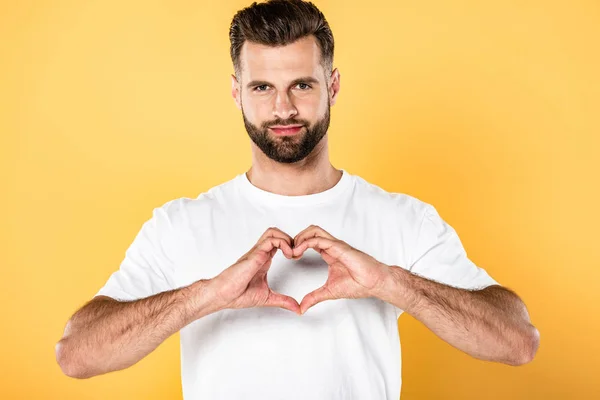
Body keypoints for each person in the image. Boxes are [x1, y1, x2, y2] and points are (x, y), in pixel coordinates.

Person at [55, 0, 539, 398]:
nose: (282, 108)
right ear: (236, 92)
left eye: (302, 85)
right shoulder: (180, 224)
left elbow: (518, 341)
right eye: (262, 87)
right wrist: (206, 296)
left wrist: (392, 283)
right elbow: (76, 354)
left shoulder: (402, 218)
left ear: (332, 86)